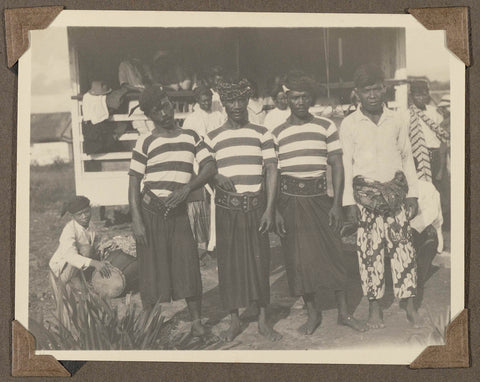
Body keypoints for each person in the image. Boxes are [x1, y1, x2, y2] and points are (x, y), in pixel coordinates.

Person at [272, 71, 364, 335]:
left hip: (320, 200)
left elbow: (336, 163)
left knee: (334, 252)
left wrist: (336, 203)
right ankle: (313, 314)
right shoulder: (276, 133)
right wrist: (277, 209)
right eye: (294, 97)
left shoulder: (325, 126)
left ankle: (344, 313)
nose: (300, 102)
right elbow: (273, 174)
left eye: (304, 97)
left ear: (311, 98)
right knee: (299, 260)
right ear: (286, 98)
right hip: (290, 201)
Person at [128, 85, 217, 337]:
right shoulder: (145, 140)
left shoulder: (191, 136)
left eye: (166, 105)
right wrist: (136, 220)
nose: (164, 113)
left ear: (172, 104)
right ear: (149, 116)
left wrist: (188, 188)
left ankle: (197, 321)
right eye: (157, 111)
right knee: (151, 268)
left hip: (178, 213)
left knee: (187, 264)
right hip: (150, 211)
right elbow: (134, 181)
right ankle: (148, 320)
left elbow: (210, 166)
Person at [340, 64, 421, 329]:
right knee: (369, 252)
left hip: (396, 195)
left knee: (403, 249)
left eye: (377, 88)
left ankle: (409, 304)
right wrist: (349, 203)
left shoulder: (397, 120)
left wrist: (413, 196)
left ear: (384, 89)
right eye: (367, 90)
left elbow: (407, 158)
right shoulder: (350, 124)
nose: (373, 95)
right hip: (365, 198)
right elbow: (346, 165)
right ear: (357, 94)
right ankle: (375, 307)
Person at [204, 78, 282, 342]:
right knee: (229, 266)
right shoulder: (212, 137)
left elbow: (272, 170)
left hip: (255, 207)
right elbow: (204, 169)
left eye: (241, 100)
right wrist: (214, 176)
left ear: (248, 101)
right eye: (231, 100)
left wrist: (270, 209)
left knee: (260, 263)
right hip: (227, 211)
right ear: (223, 104)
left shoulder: (263, 133)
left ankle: (262, 320)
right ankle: (234, 321)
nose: (236, 105)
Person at [49, 196, 112, 329]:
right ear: (72, 216)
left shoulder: (90, 225)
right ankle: (65, 331)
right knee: (65, 303)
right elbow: (70, 255)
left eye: (86, 212)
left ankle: (87, 327)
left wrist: (104, 243)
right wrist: (95, 263)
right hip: (62, 270)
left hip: (77, 268)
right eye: (79, 214)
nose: (84, 216)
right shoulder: (69, 230)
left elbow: (94, 241)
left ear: (90, 210)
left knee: (84, 297)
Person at [182, 85, 224, 257]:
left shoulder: (218, 115)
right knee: (206, 201)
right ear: (197, 101)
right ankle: (206, 241)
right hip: (201, 161)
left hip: (218, 158)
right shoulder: (191, 119)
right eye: (203, 100)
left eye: (208, 99)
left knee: (217, 200)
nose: (206, 103)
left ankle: (217, 241)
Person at [408, 81, 450, 227]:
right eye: (417, 94)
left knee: (441, 192)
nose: (421, 97)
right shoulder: (405, 114)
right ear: (411, 95)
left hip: (437, 156)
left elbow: (443, 138)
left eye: (424, 94)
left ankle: (442, 225)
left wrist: (442, 166)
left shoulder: (434, 112)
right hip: (418, 158)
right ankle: (425, 226)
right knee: (423, 193)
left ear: (428, 94)